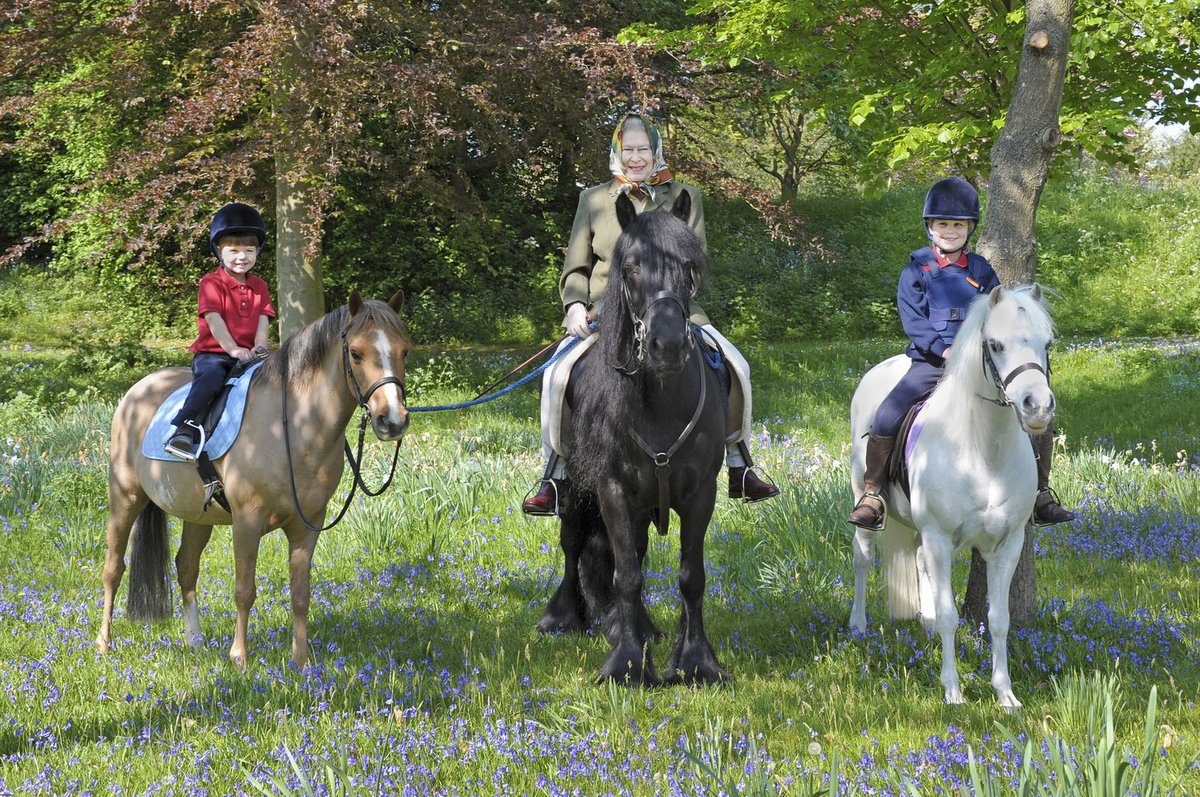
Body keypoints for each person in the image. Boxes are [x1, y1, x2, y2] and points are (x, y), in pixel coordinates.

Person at [522, 112, 779, 515]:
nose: (637, 158)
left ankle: (739, 462)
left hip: (676, 309)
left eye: (643, 149)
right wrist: (574, 305)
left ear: (656, 150)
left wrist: (673, 302)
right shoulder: (593, 200)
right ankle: (555, 473)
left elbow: (695, 262)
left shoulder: (683, 196)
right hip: (607, 311)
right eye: (629, 150)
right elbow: (576, 265)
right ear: (617, 152)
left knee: (737, 367)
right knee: (558, 374)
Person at [847, 176, 1075, 529]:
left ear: (969, 228)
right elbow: (914, 322)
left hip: (978, 366)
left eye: (958, 225)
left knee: (1037, 416)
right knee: (887, 414)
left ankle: (1041, 493)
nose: (950, 231)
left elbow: (996, 318)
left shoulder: (982, 271)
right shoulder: (916, 270)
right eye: (943, 224)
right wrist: (943, 350)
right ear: (930, 227)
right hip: (929, 361)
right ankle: (873, 492)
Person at [165, 202, 275, 460]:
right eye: (234, 250)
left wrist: (260, 347)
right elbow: (214, 319)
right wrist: (233, 349)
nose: (242, 257)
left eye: (249, 250)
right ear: (219, 251)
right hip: (216, 353)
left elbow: (263, 317)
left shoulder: (259, 285)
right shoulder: (211, 282)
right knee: (212, 377)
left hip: (251, 355)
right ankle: (186, 427)